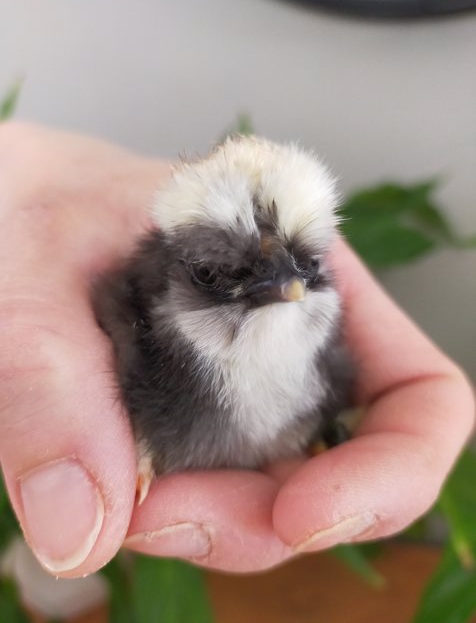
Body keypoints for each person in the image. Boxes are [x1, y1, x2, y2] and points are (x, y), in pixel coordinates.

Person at [0, 121, 473, 577]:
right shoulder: (138, 361)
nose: (287, 286)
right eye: (213, 274)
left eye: (306, 264)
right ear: (165, 286)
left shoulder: (326, 376)